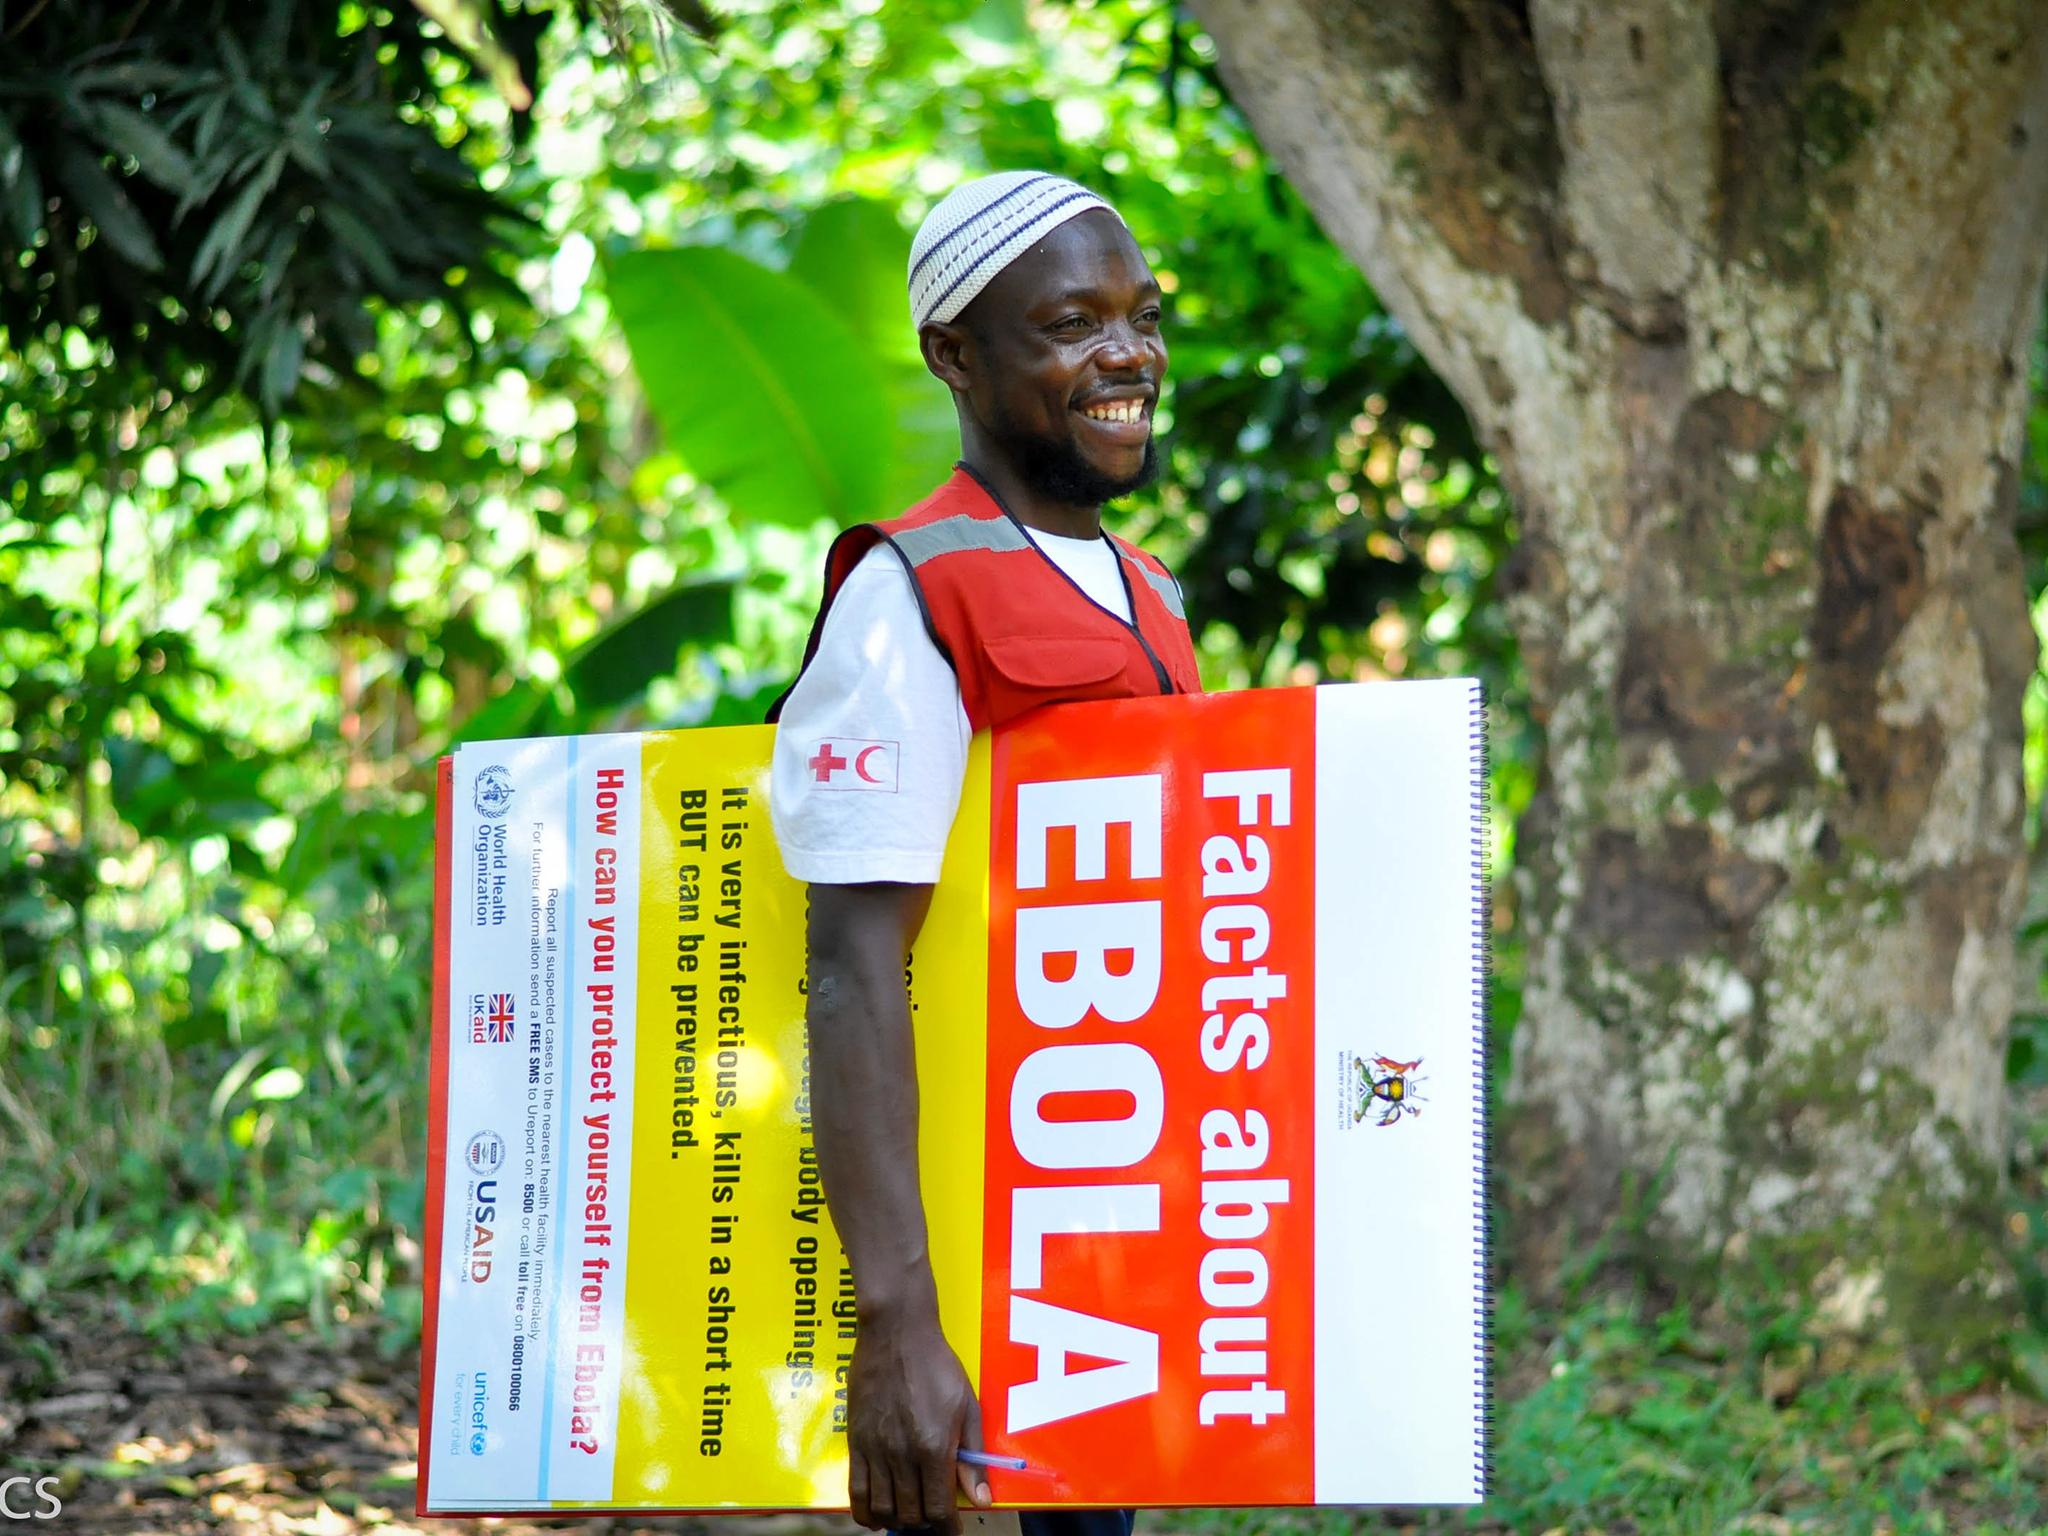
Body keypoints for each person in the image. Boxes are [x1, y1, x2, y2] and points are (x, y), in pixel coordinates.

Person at [768, 171, 1201, 1536]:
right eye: (1073, 323)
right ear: (956, 355)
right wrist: (897, 1322)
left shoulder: (1154, 597)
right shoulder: (911, 592)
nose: (1127, 354)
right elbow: (849, 967)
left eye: (1139, 317)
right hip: (981, 1260)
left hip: (1110, 1239)